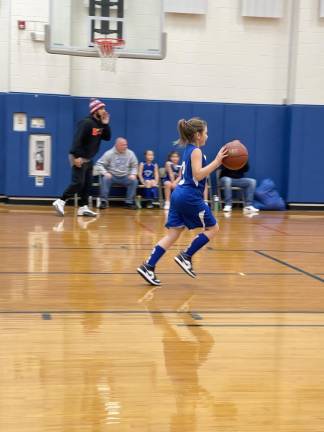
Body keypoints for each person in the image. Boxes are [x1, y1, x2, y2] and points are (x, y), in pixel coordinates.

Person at [137, 117, 228, 286]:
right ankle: (186, 255)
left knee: (173, 233)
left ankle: (148, 266)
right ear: (198, 134)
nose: (208, 136)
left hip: (179, 194)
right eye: (206, 133)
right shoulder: (196, 151)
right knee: (213, 228)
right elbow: (199, 175)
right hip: (189, 196)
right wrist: (217, 162)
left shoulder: (189, 149)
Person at [52, 98, 111, 217]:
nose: (104, 110)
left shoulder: (99, 124)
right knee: (78, 183)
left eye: (104, 108)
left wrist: (106, 124)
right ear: (95, 110)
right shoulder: (86, 123)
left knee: (87, 184)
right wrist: (76, 157)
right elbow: (77, 140)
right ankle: (60, 201)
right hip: (78, 156)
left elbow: (107, 137)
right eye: (102, 108)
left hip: (89, 158)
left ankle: (83, 207)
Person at [95, 137, 138, 209]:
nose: (125, 147)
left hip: (125, 176)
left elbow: (135, 165)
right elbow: (99, 164)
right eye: (123, 145)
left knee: (134, 181)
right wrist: (105, 173)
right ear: (117, 145)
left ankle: (129, 202)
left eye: (126, 145)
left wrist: (133, 174)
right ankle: (103, 201)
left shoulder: (130, 153)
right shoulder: (109, 153)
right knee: (105, 179)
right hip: (112, 176)